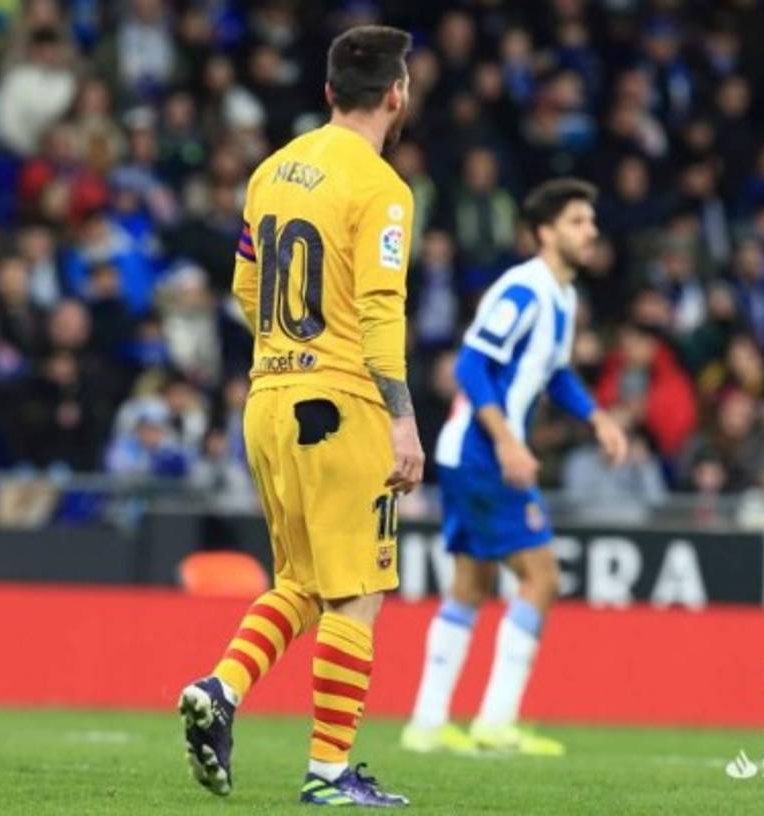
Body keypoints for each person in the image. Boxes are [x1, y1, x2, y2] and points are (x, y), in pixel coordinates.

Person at [179, 26, 423, 807]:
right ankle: (327, 773)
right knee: (359, 592)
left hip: (268, 398)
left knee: (304, 582)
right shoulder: (382, 189)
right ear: (397, 94)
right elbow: (383, 310)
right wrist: (403, 420)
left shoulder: (270, 172)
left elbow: (247, 289)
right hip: (342, 404)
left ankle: (219, 692)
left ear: (327, 94)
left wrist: (288, 352)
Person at [401, 179, 628, 756]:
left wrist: (596, 417)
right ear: (546, 232)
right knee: (542, 577)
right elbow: (473, 366)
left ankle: (427, 725)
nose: (591, 231)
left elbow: (553, 373)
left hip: (468, 453)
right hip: (481, 454)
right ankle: (495, 722)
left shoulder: (563, 296)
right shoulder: (524, 289)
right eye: (578, 221)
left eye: (591, 221)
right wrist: (506, 442)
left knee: (472, 585)